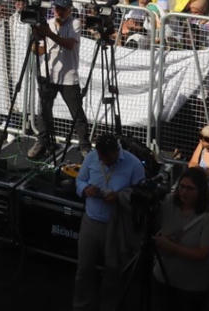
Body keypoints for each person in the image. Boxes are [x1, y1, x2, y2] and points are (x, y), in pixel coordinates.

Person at [73, 133, 145, 311]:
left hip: (117, 225)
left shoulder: (134, 165)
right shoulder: (91, 157)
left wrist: (119, 197)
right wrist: (85, 189)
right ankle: (81, 306)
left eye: (106, 158)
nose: (103, 161)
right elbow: (80, 180)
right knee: (84, 269)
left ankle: (109, 307)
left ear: (116, 151)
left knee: (113, 271)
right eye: (100, 157)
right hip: (90, 221)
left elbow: (141, 195)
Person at [27, 0, 89, 159]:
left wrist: (49, 33)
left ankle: (85, 145)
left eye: (62, 9)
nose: (58, 12)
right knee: (44, 111)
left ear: (69, 10)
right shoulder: (48, 23)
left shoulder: (75, 24)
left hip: (68, 77)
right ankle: (42, 141)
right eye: (57, 8)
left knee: (77, 113)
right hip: (48, 74)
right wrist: (35, 41)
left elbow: (69, 45)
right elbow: (41, 50)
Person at [152, 166, 209, 310]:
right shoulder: (169, 202)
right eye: (182, 187)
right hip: (163, 277)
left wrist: (172, 247)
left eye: (190, 188)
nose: (184, 192)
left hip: (190, 287)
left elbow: (203, 254)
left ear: (201, 191)